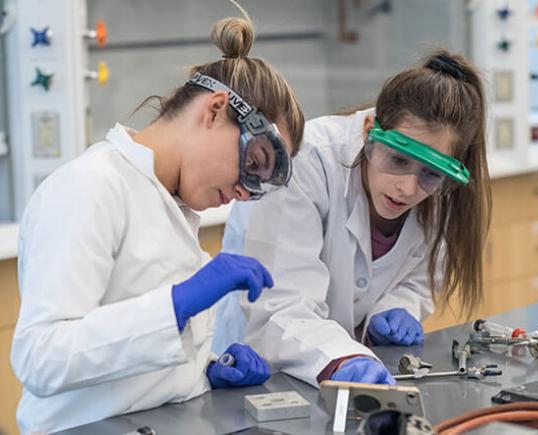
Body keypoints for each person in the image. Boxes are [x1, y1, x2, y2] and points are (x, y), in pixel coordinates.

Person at [10, 2, 304, 433]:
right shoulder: (89, 188)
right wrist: (178, 304)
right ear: (215, 109)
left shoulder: (172, 204)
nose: (247, 190)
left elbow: (130, 355)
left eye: (263, 181)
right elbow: (41, 357)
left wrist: (205, 368)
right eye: (253, 162)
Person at [217, 49, 491, 387]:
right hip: (258, 369)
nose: (407, 188)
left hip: (344, 371)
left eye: (430, 174)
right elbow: (281, 307)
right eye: (398, 159)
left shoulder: (442, 189)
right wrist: (342, 358)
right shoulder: (306, 163)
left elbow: (419, 276)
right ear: (368, 131)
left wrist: (398, 306)